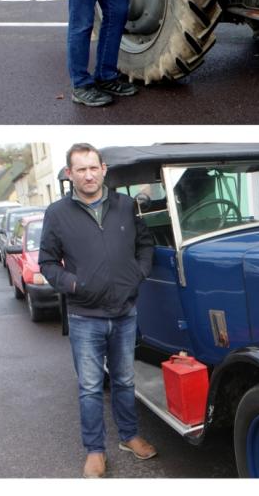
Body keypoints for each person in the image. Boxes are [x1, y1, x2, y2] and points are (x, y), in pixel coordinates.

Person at [39, 143, 157, 478]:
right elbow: (47, 262)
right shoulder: (57, 214)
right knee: (90, 388)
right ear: (70, 174)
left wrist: (139, 273)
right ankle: (95, 450)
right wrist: (74, 284)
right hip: (85, 316)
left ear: (104, 169)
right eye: (81, 169)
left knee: (124, 380)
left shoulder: (126, 206)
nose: (88, 175)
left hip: (124, 312)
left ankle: (129, 436)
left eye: (94, 168)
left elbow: (145, 244)